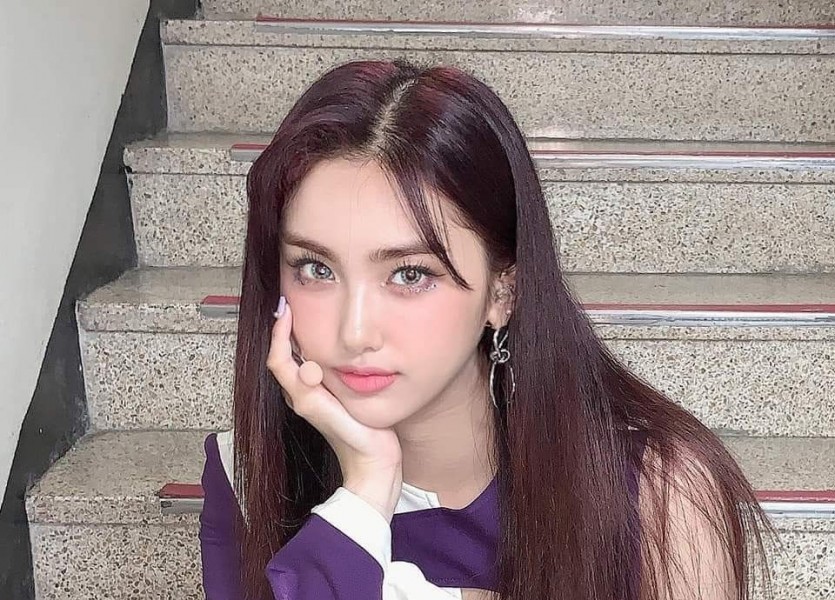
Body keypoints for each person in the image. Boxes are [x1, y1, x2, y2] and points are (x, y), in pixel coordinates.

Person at [198, 59, 778, 600]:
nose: (355, 332)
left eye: (410, 274)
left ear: (503, 292)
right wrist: (365, 492)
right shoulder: (249, 477)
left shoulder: (657, 493)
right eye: (315, 269)